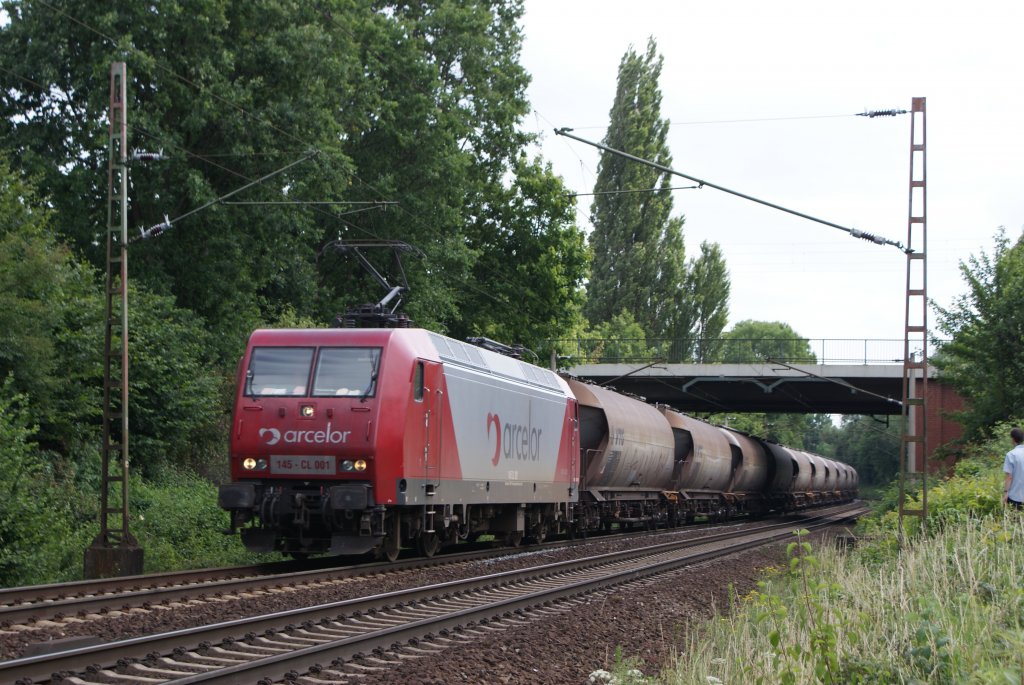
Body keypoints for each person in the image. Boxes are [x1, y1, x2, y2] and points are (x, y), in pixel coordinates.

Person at [1002, 427, 1024, 509]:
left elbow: (1009, 477)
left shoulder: (1011, 455)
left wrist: (1006, 492)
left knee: (1015, 520)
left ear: (1013, 439)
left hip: (1015, 496)